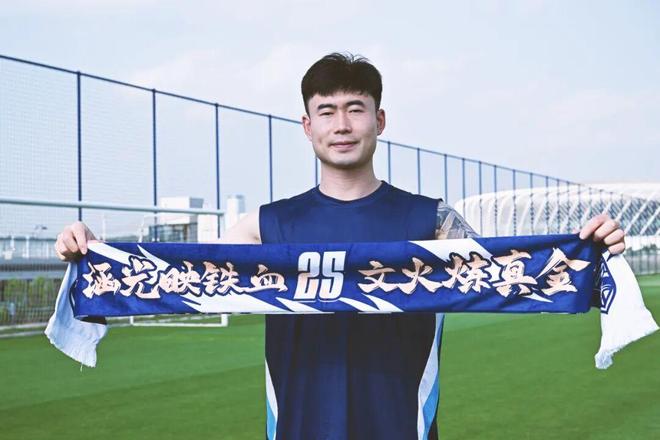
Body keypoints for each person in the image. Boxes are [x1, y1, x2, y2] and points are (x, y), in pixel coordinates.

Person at [55, 53, 626, 439]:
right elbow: (177, 273)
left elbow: (511, 272)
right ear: (307, 126)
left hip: (400, 423)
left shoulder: (430, 221)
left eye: (356, 108)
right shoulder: (266, 226)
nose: (342, 124)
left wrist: (592, 249)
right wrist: (95, 255)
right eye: (326, 111)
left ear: (380, 119)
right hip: (298, 423)